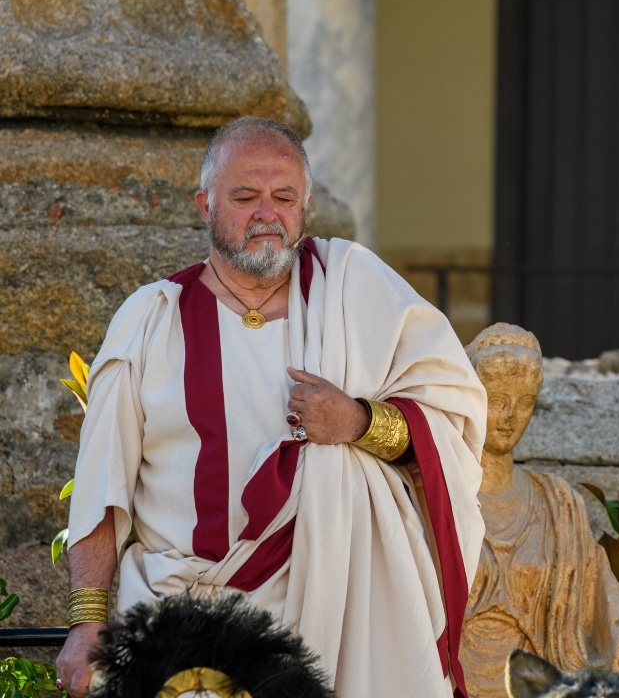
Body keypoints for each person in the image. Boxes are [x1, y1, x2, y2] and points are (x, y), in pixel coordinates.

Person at [55, 116, 487, 697]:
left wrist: (358, 421)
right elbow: (100, 490)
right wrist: (86, 622)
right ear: (205, 205)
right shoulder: (150, 320)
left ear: (306, 205)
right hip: (181, 621)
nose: (267, 213)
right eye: (244, 196)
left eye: (283, 197)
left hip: (338, 614)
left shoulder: (357, 291)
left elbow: (452, 424)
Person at [460, 323, 619, 698]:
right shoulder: (437, 496)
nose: (511, 416)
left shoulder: (558, 501)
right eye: (497, 401)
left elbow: (599, 586)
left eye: (525, 401)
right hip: (449, 681)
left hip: (543, 687)